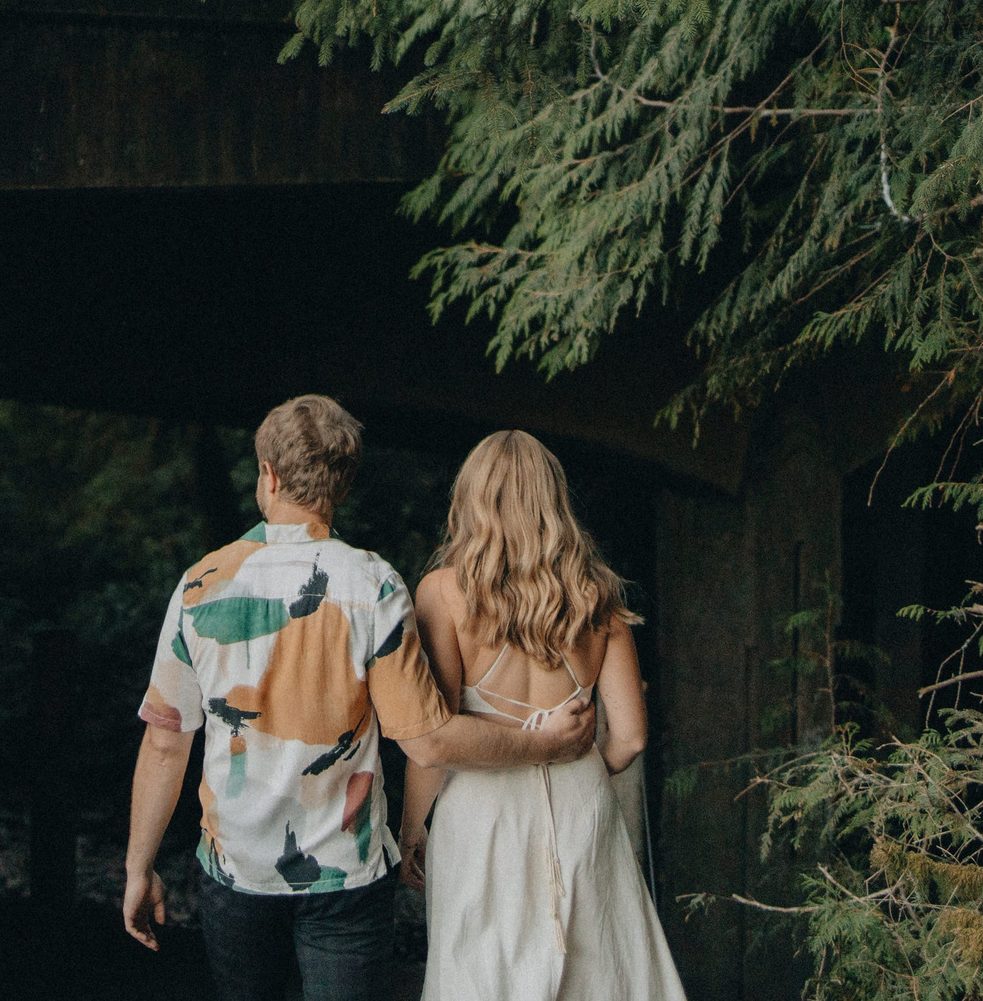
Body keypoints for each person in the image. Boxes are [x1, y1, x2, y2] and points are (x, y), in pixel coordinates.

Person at [121, 395, 597, 1001]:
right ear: (341, 484)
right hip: (347, 875)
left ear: (267, 474)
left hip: (235, 870)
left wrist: (139, 868)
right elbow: (427, 740)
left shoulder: (201, 585)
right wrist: (543, 743)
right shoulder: (373, 585)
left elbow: (166, 741)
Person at [400, 429, 687, 1001]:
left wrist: (413, 825)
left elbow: (437, 733)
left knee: (479, 970)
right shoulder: (598, 596)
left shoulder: (443, 593)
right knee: (595, 968)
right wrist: (574, 769)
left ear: (472, 497)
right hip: (582, 804)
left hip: (481, 810)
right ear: (553, 501)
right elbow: (630, 738)